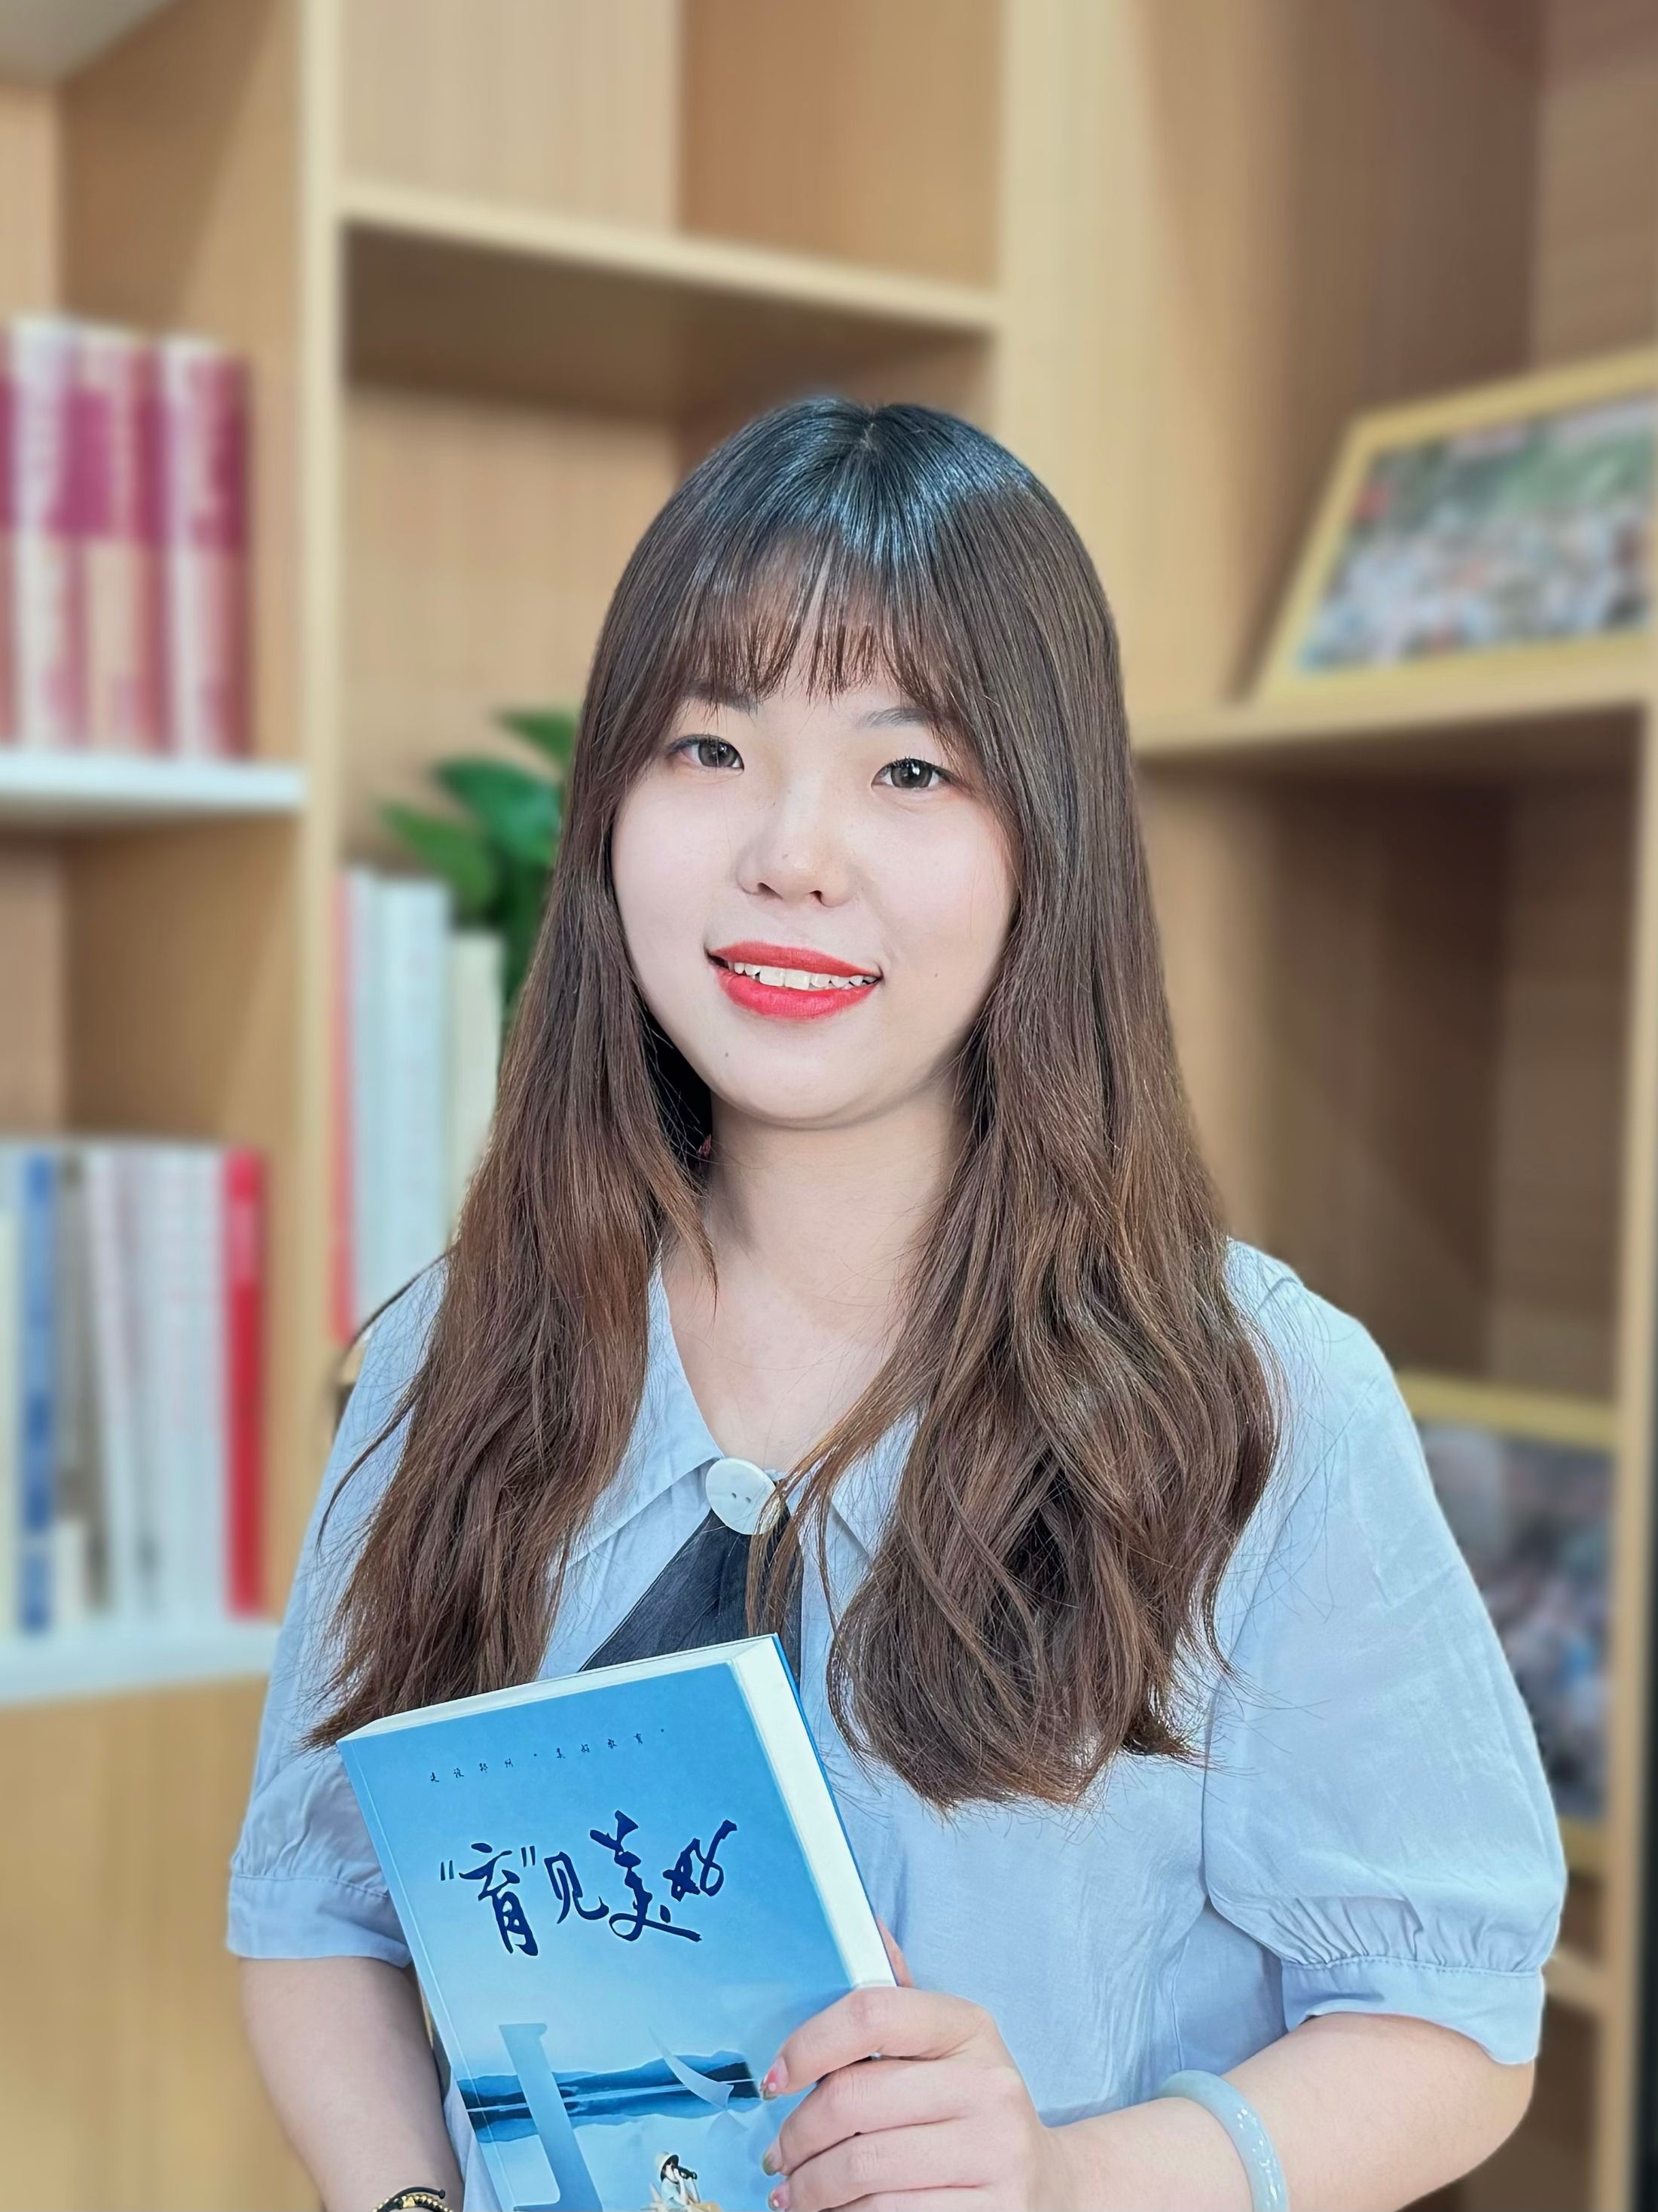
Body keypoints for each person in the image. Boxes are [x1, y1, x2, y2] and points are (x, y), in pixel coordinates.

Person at [232, 399, 1563, 2212]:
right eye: (710, 744)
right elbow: (317, 1909)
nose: (793, 852)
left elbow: (1449, 2018)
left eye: (911, 769)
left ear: (1048, 845)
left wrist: (1067, 2178)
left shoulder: (1262, 1397)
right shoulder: (447, 1350)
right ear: (610, 807)